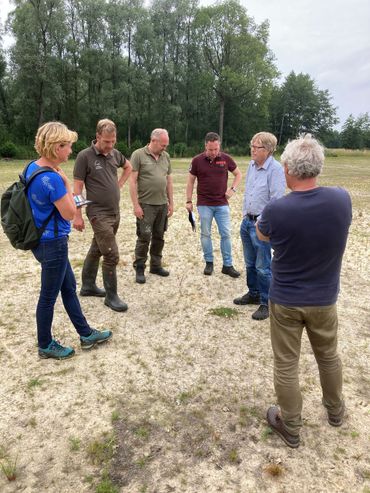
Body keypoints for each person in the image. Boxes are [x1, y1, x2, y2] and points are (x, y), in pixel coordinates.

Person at [256, 134, 352, 448]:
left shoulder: (276, 210)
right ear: (318, 167)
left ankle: (292, 426)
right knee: (328, 357)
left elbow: (263, 234)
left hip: (286, 299)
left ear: (288, 170)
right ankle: (336, 411)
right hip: (325, 299)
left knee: (286, 364)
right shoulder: (342, 199)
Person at [28, 122, 112, 360]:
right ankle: (45, 344)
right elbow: (68, 212)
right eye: (67, 147)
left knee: (68, 289)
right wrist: (66, 184)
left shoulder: (32, 167)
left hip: (41, 240)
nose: (70, 151)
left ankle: (85, 334)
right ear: (56, 147)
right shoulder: (53, 179)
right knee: (48, 296)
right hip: (53, 243)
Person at [73, 119, 132, 312]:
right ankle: (111, 296)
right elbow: (77, 189)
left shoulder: (115, 154)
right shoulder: (84, 156)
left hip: (115, 211)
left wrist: (119, 184)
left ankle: (88, 286)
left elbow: (128, 167)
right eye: (106, 141)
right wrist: (78, 215)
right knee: (111, 253)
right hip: (98, 213)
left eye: (113, 141)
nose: (110, 146)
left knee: (97, 248)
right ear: (98, 137)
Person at [233, 132, 286, 320]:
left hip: (262, 225)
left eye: (257, 147)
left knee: (263, 266)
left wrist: (261, 222)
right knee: (249, 262)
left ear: (269, 150)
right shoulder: (251, 166)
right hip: (247, 220)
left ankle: (266, 302)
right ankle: (253, 293)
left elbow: (276, 200)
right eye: (252, 146)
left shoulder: (276, 169)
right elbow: (249, 192)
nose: (252, 150)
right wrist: (245, 215)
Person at [186, 132, 242, 277]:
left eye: (216, 149)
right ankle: (209, 263)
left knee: (226, 234)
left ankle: (227, 265)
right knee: (205, 234)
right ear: (206, 146)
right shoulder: (197, 161)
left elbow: (238, 174)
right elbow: (191, 181)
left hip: (222, 203)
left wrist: (232, 189)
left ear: (219, 146)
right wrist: (188, 201)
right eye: (210, 149)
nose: (213, 152)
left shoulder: (225, 159)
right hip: (204, 204)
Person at [129, 128, 174, 284]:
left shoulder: (166, 157)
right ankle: (140, 267)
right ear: (153, 140)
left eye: (166, 145)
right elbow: (132, 181)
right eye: (163, 145)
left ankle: (156, 265)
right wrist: (136, 205)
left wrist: (171, 203)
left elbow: (168, 181)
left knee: (159, 236)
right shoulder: (138, 155)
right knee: (144, 237)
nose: (165, 148)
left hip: (162, 204)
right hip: (145, 205)